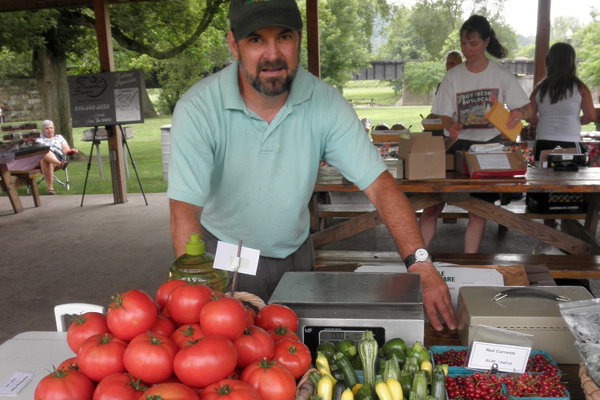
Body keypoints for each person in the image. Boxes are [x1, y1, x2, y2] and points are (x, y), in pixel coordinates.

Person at [167, 0, 455, 330]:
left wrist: (420, 262)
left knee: (298, 355)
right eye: (256, 40)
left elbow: (379, 185)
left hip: (296, 257)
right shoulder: (198, 109)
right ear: (234, 45)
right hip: (224, 258)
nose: (272, 55)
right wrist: (196, 297)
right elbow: (183, 210)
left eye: (284, 37)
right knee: (230, 366)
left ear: (299, 40)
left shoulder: (325, 102)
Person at [419, 15, 531, 254]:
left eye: (473, 44)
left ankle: (470, 264)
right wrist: (452, 124)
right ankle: (416, 260)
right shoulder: (453, 76)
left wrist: (519, 111)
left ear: (486, 42)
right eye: (463, 44)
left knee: (478, 212)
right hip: (456, 147)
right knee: (431, 208)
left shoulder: (500, 75)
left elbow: (530, 108)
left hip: (488, 149)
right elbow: (440, 115)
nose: (467, 49)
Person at [527, 42, 596, 162]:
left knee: (543, 178)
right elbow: (591, 116)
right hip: (570, 140)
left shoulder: (539, 89)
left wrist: (541, 120)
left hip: (544, 139)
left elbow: (530, 117)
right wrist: (579, 120)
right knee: (570, 178)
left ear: (548, 62)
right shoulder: (580, 88)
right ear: (571, 63)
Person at [35, 120, 77, 194]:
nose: (49, 130)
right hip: (40, 157)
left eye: (51, 128)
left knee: (45, 161)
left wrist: (71, 150)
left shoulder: (59, 138)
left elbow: (65, 150)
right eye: (47, 128)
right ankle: (60, 164)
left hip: (56, 156)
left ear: (54, 129)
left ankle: (50, 189)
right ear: (42, 130)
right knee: (45, 151)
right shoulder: (38, 138)